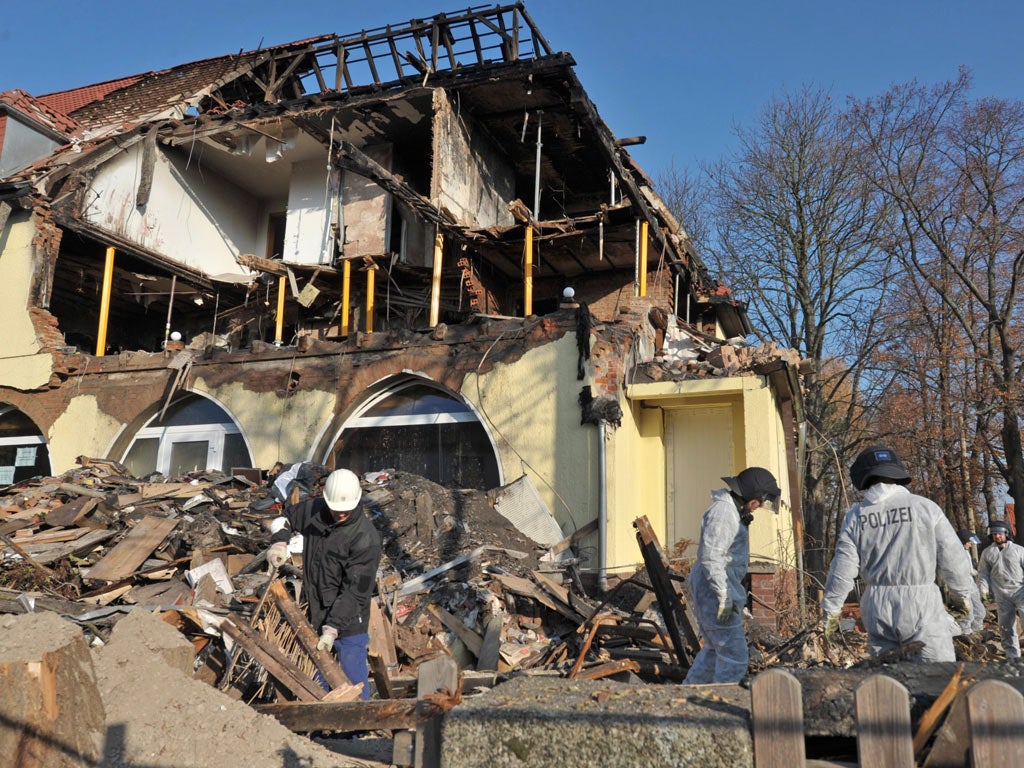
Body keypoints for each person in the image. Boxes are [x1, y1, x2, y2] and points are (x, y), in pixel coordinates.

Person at [821, 446, 974, 662]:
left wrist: (831, 612)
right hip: (921, 604)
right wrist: (962, 599)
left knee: (888, 680)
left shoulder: (856, 516)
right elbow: (954, 560)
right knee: (936, 678)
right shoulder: (925, 508)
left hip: (875, 606)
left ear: (862, 478)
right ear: (897, 473)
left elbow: (842, 569)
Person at [267, 468, 382, 699]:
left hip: (349, 619)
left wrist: (333, 627)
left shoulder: (366, 539)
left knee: (351, 678)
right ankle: (321, 732)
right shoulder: (315, 510)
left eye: (345, 511)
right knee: (319, 681)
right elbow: (285, 518)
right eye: (336, 510)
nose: (340, 514)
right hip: (316, 610)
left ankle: (356, 731)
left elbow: (357, 591)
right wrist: (279, 543)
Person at [684, 466, 781, 684]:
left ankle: (689, 697)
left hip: (713, 588)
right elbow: (710, 557)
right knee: (734, 655)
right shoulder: (724, 513)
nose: (756, 509)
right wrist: (725, 596)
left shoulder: (731, 511)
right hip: (715, 592)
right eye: (759, 504)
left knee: (713, 650)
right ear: (754, 500)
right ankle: (722, 701)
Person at [978, 519, 1024, 658]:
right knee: (1006, 628)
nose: (997, 536)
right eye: (994, 534)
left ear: (1006, 534)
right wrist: (983, 590)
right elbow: (983, 573)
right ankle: (1013, 658)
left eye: (999, 533)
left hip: (1020, 592)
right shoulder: (987, 553)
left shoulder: (1019, 550)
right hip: (1001, 595)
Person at [955, 528, 985, 633]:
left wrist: (979, 572)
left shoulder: (966, 552)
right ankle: (966, 637)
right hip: (962, 586)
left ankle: (978, 633)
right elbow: (963, 570)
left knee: (980, 612)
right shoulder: (956, 554)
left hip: (971, 585)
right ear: (963, 541)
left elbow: (970, 569)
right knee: (968, 615)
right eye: (969, 541)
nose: (971, 544)